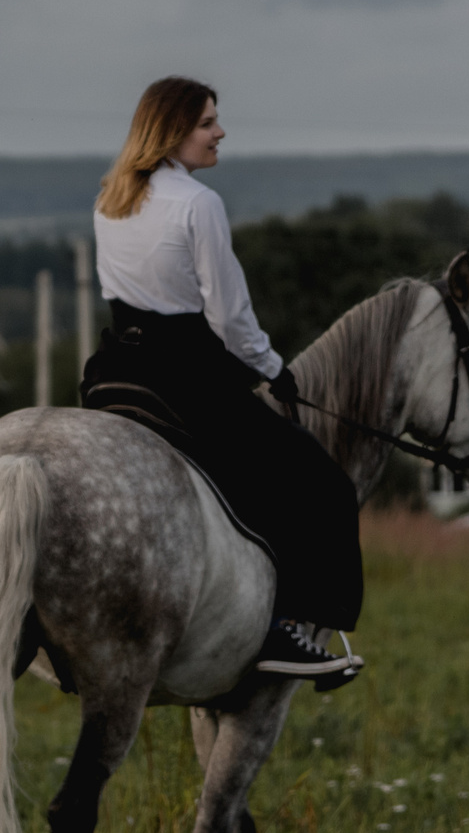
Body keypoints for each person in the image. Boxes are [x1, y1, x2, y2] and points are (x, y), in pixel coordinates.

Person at [82, 77, 366, 689]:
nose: (220, 132)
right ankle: (281, 630)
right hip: (184, 375)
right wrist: (274, 369)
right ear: (173, 131)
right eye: (208, 122)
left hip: (115, 372)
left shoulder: (108, 198)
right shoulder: (198, 203)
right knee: (318, 483)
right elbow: (231, 319)